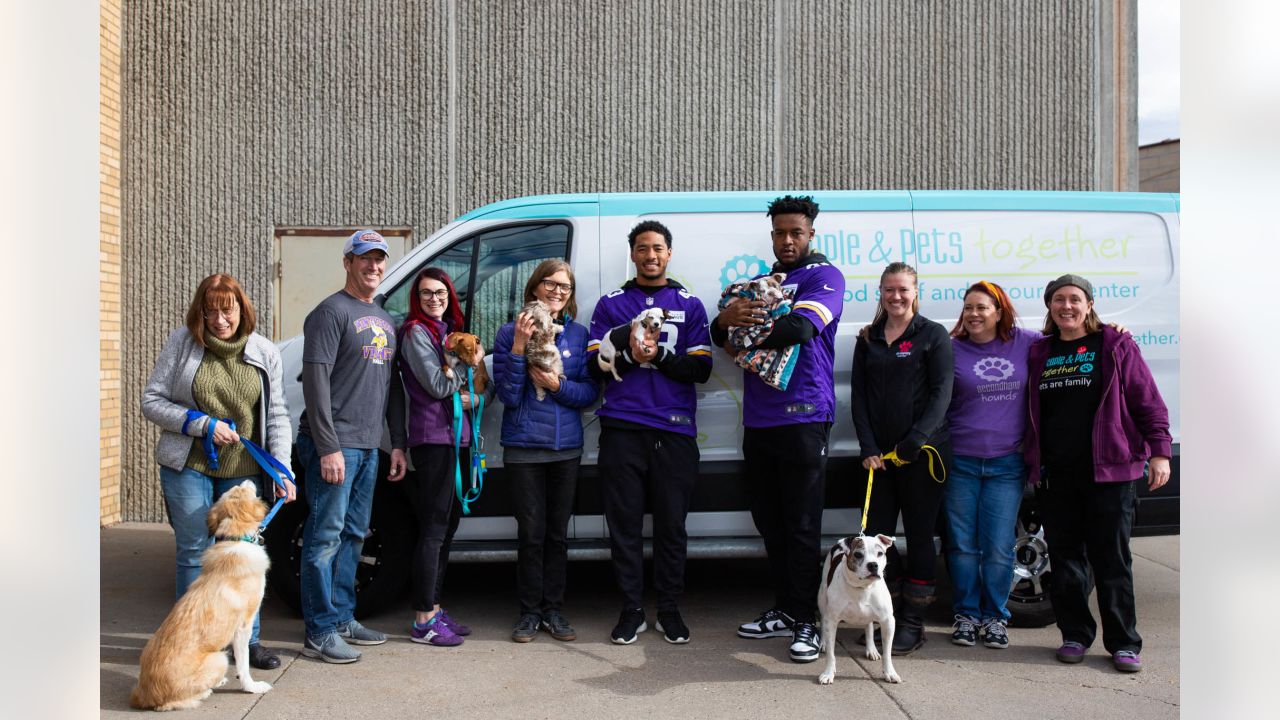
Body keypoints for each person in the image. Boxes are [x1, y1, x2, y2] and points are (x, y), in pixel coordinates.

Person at [712, 195, 846, 664]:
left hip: (805, 417)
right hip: (760, 421)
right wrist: (721, 321)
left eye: (796, 232)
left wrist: (734, 326)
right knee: (770, 523)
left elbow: (799, 330)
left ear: (811, 234)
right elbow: (717, 331)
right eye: (780, 233)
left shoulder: (824, 276)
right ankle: (788, 611)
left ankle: (810, 621)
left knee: (803, 526)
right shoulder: (766, 283)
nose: (787, 240)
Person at [141, 273, 297, 671]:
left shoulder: (264, 351)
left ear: (241, 309)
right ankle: (189, 641)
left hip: (243, 473)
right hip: (189, 464)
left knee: (244, 556)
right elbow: (151, 400)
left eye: (226, 310)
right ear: (200, 312)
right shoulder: (182, 343)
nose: (219, 319)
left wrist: (283, 470)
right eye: (210, 311)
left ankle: (251, 641)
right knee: (194, 553)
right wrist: (201, 423)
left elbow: (276, 415)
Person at [1025, 274, 1171, 673]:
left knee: (1112, 561)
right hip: (1058, 476)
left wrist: (1160, 452)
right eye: (1058, 300)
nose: (1066, 306)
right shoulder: (1041, 351)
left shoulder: (1115, 344)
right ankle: (1075, 635)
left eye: (1074, 299)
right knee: (1067, 562)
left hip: (1110, 474)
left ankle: (1124, 643)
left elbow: (1147, 401)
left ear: (1089, 304)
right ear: (1049, 307)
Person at [586, 220, 712, 645]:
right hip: (622, 428)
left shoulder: (690, 304)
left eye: (658, 248)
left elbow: (702, 369)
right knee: (623, 527)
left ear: (669, 253)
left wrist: (657, 356)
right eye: (643, 249)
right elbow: (591, 366)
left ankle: (670, 610)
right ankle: (632, 610)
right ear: (633, 254)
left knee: (671, 528)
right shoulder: (611, 304)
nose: (651, 255)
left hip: (675, 431)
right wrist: (624, 346)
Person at [297, 229, 408, 664]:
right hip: (335, 445)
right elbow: (316, 384)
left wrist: (397, 443)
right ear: (348, 262)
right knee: (323, 538)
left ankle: (342, 617)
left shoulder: (385, 319)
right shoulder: (328, 313)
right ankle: (319, 630)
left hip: (368, 448)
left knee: (354, 535)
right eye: (365, 259)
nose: (374, 266)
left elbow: (393, 388)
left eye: (379, 259)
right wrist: (327, 447)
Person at [849, 262, 954, 655]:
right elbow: (859, 397)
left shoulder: (933, 335)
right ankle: (882, 616)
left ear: (915, 292)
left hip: (922, 457)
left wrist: (916, 439)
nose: (896, 297)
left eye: (903, 290)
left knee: (919, 536)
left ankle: (912, 621)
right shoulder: (869, 338)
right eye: (889, 290)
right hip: (879, 462)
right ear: (880, 292)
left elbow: (942, 393)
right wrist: (867, 446)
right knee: (875, 539)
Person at [492, 259, 599, 643]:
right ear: (535, 288)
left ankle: (554, 611)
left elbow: (589, 393)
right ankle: (528, 614)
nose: (557, 291)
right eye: (550, 284)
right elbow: (507, 394)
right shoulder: (509, 334)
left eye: (565, 287)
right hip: (523, 449)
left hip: (565, 450)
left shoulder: (579, 334)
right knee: (531, 535)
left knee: (557, 536)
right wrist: (520, 347)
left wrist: (557, 387)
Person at [394, 267, 493, 647]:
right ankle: (422, 619)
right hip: (433, 440)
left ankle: (434, 607)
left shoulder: (449, 332)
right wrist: (465, 361)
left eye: (440, 293)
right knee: (434, 529)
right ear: (416, 300)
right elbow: (437, 386)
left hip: (460, 439)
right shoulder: (416, 333)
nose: (434, 299)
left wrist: (475, 396)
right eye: (425, 294)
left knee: (448, 527)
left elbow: (483, 387)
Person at [943, 281, 1042, 650]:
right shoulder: (951, 349)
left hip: (1006, 464)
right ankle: (967, 615)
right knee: (963, 546)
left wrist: (1113, 330)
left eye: (982, 307)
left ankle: (996, 618)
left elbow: (1072, 333)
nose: (973, 314)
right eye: (968, 307)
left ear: (999, 312)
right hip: (962, 462)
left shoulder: (1027, 341)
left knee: (999, 547)